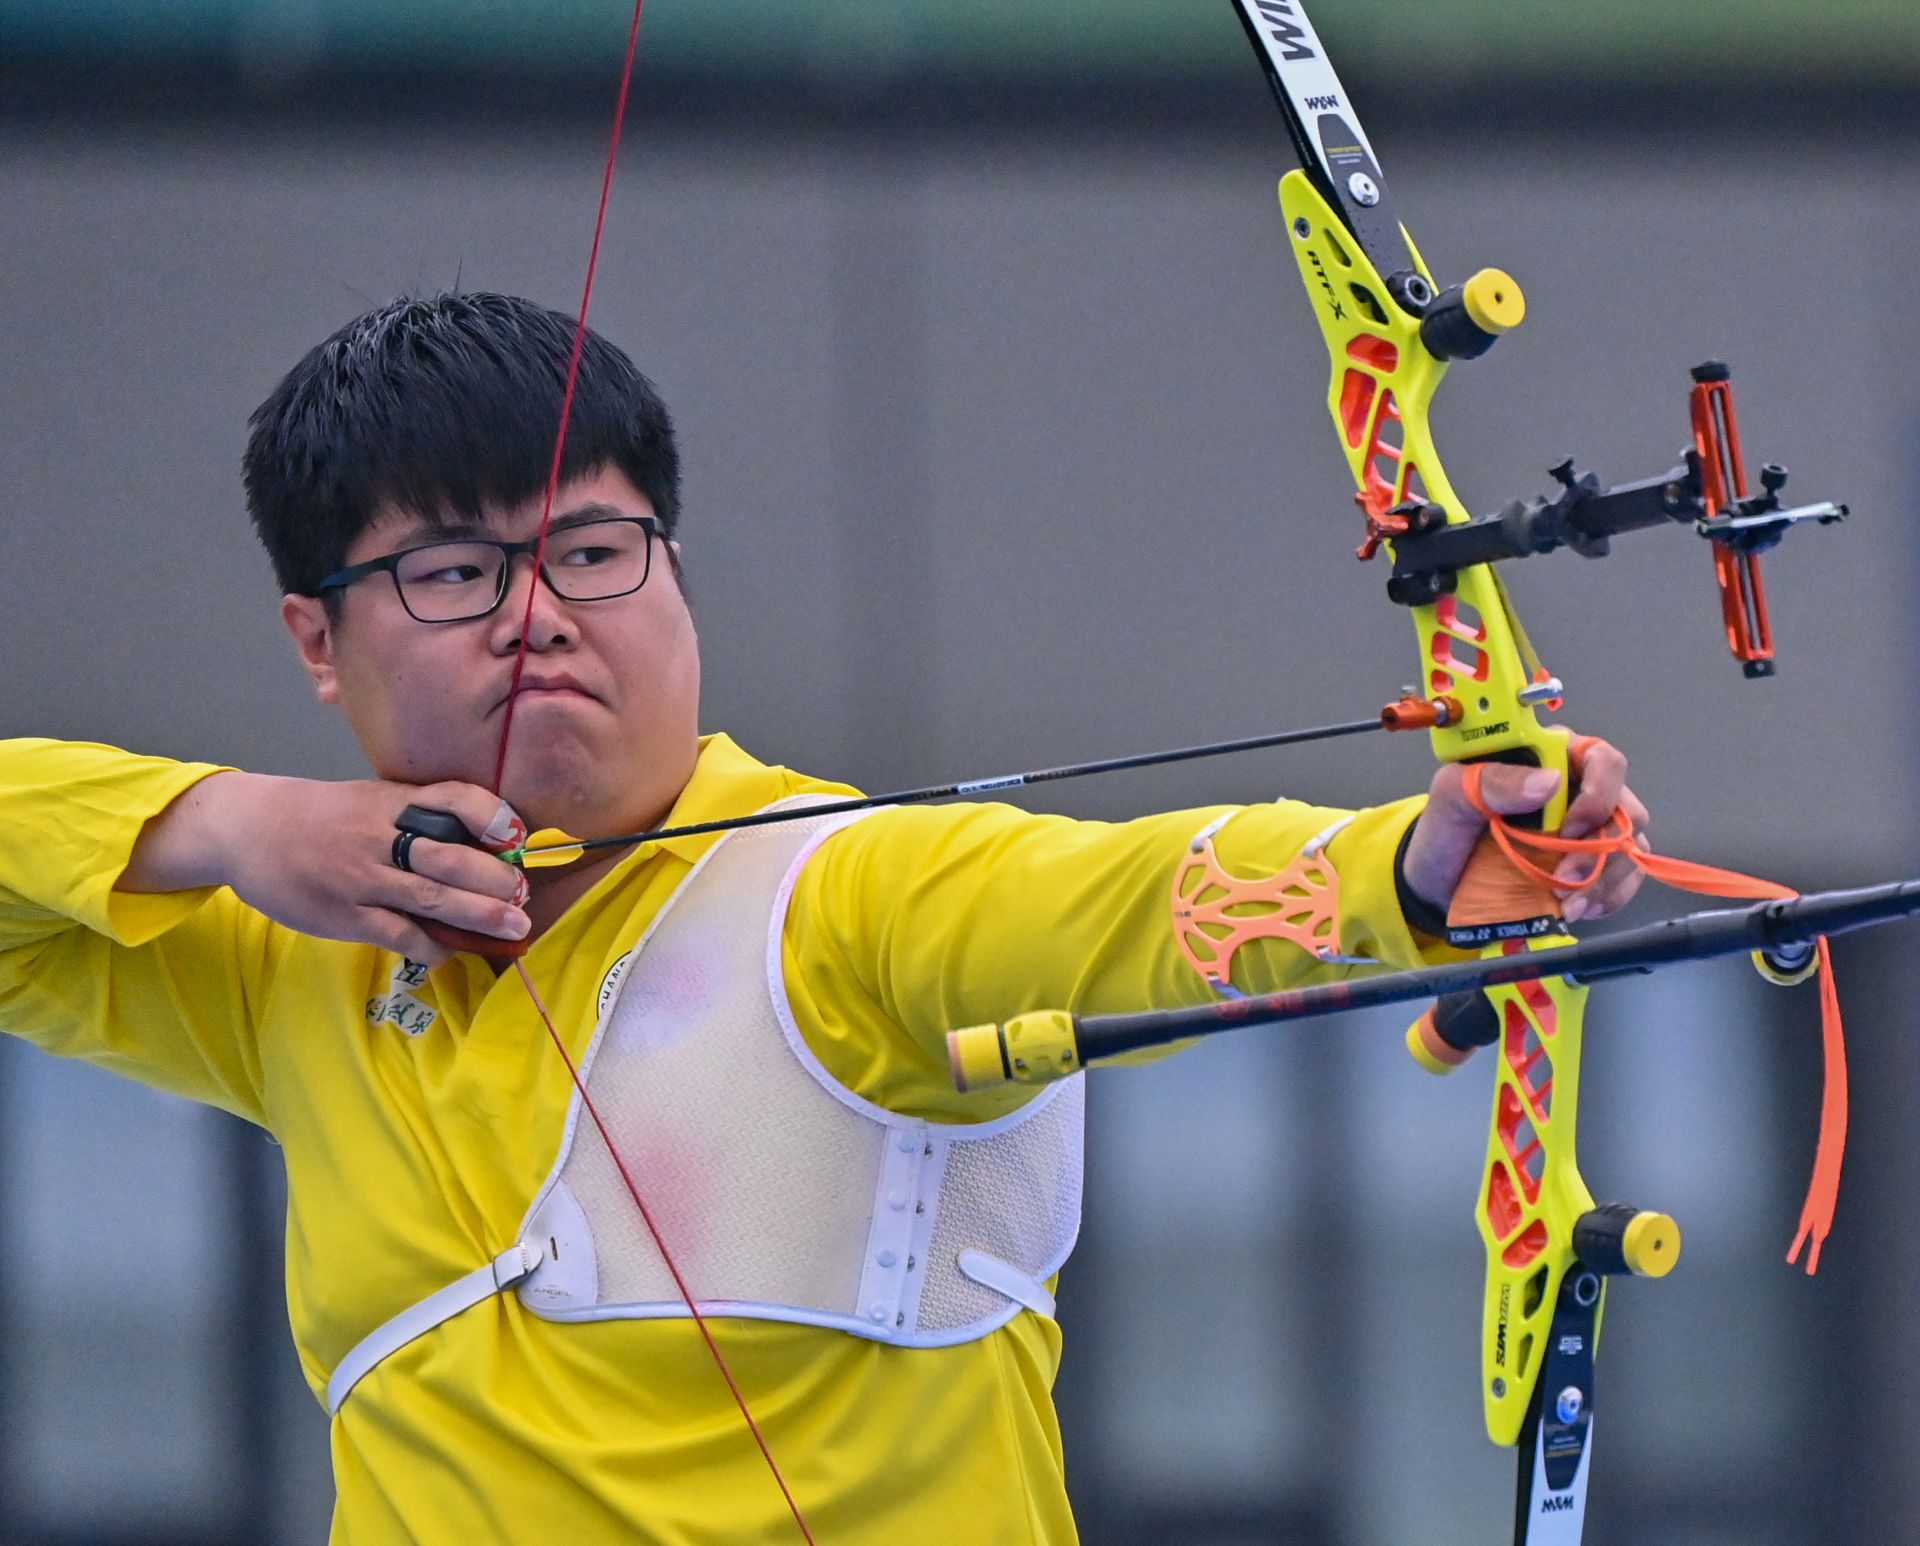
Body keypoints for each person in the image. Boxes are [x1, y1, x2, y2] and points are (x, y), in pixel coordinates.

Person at [0, 292, 1648, 1544]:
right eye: (452, 571)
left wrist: (1425, 866)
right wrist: (224, 821)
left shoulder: (840, 896)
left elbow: (1124, 897)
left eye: (592, 545)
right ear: (317, 634)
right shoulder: (295, 958)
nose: (541, 620)